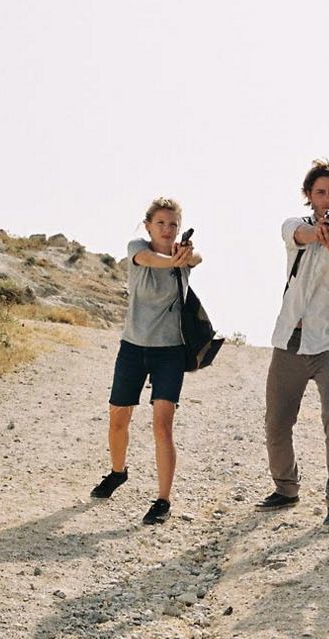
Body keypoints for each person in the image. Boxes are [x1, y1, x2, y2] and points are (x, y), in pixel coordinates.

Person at [256, 159, 329, 526]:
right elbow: (299, 236)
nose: (327, 198)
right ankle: (286, 488)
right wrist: (319, 233)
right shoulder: (294, 225)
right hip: (290, 337)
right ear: (309, 196)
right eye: (320, 192)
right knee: (277, 421)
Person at [90, 197, 202, 525]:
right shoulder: (137, 247)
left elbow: (197, 257)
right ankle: (117, 472)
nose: (167, 229)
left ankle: (163, 499)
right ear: (148, 225)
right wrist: (177, 260)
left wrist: (188, 256)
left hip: (170, 351)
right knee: (118, 419)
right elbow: (149, 259)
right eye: (161, 223)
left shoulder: (186, 257)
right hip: (133, 348)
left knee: (162, 426)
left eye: (173, 225)